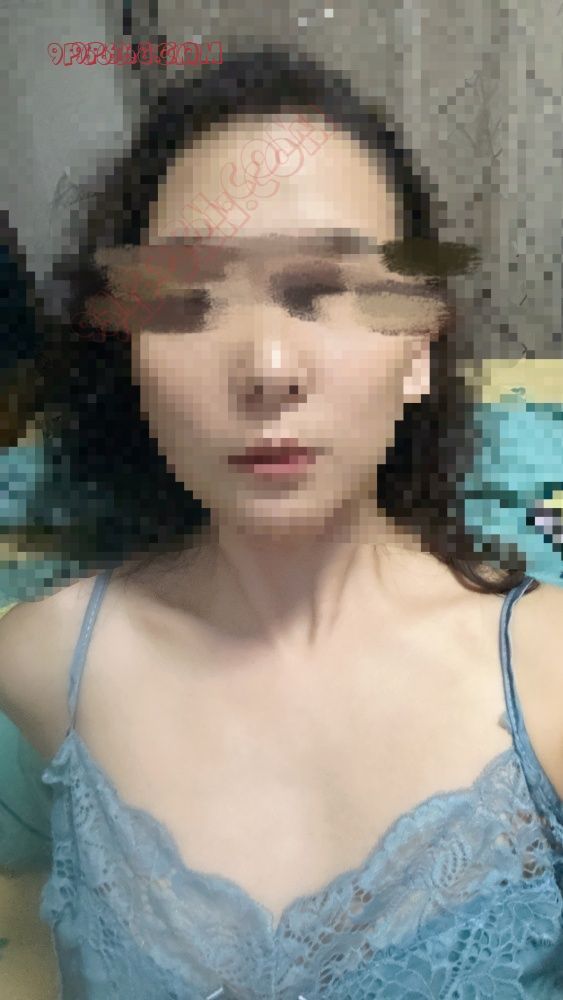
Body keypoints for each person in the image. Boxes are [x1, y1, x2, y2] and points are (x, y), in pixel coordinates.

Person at [1, 45, 562, 999]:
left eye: (323, 292)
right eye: (188, 301)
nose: (267, 369)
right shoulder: (38, 661)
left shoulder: (545, 674)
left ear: (417, 354)